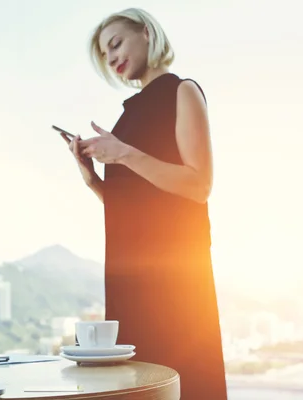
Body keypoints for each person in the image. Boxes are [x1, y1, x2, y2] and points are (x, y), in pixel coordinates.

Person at [67, 8, 228, 400]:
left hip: (174, 280)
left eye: (116, 43)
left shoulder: (182, 91)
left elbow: (199, 184)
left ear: (145, 32)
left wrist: (122, 153)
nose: (112, 58)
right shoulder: (127, 118)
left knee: (186, 381)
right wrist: (92, 178)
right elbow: (132, 207)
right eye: (105, 55)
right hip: (129, 277)